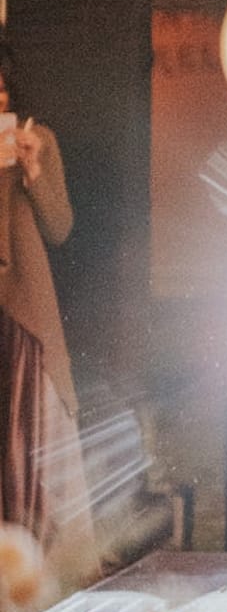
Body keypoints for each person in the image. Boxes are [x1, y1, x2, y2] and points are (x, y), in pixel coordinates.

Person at [0, 38, 95, 576]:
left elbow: (61, 227)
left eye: (3, 92)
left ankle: (34, 564)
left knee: (30, 428)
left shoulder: (40, 141)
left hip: (26, 309)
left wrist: (32, 171)